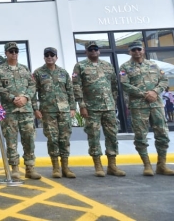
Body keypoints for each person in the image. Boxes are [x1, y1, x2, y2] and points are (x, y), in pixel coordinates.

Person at [119, 40, 174, 176]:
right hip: (138, 106)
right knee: (140, 137)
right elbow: (125, 85)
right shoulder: (125, 67)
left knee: (162, 134)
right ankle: (147, 165)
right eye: (134, 50)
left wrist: (155, 92)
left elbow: (164, 80)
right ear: (129, 52)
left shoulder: (153, 65)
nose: (137, 52)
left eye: (139, 49)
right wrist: (145, 94)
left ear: (143, 50)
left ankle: (161, 165)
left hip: (156, 104)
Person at [72, 41, 126, 177]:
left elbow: (114, 85)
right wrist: (82, 106)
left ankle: (112, 165)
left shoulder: (107, 66)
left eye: (96, 49)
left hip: (108, 107)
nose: (93, 51)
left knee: (112, 135)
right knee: (94, 136)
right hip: (91, 108)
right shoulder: (80, 66)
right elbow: (76, 87)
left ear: (99, 51)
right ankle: (98, 165)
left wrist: (113, 102)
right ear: (86, 52)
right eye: (90, 49)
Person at [0, 42, 40, 180]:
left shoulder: (24, 69)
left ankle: (30, 167)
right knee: (11, 140)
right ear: (6, 53)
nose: (14, 54)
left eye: (15, 51)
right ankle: (14, 168)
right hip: (10, 111)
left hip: (26, 110)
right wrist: (12, 98)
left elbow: (32, 86)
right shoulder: (0, 70)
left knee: (29, 139)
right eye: (11, 51)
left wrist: (26, 98)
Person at [33, 47, 76, 179]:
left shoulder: (63, 73)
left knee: (64, 138)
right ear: (44, 57)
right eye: (47, 55)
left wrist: (73, 108)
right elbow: (33, 92)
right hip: (48, 111)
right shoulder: (38, 73)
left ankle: (65, 167)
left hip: (64, 110)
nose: (50, 57)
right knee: (52, 139)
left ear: (56, 57)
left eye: (52, 55)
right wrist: (36, 108)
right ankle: (56, 168)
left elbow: (70, 91)